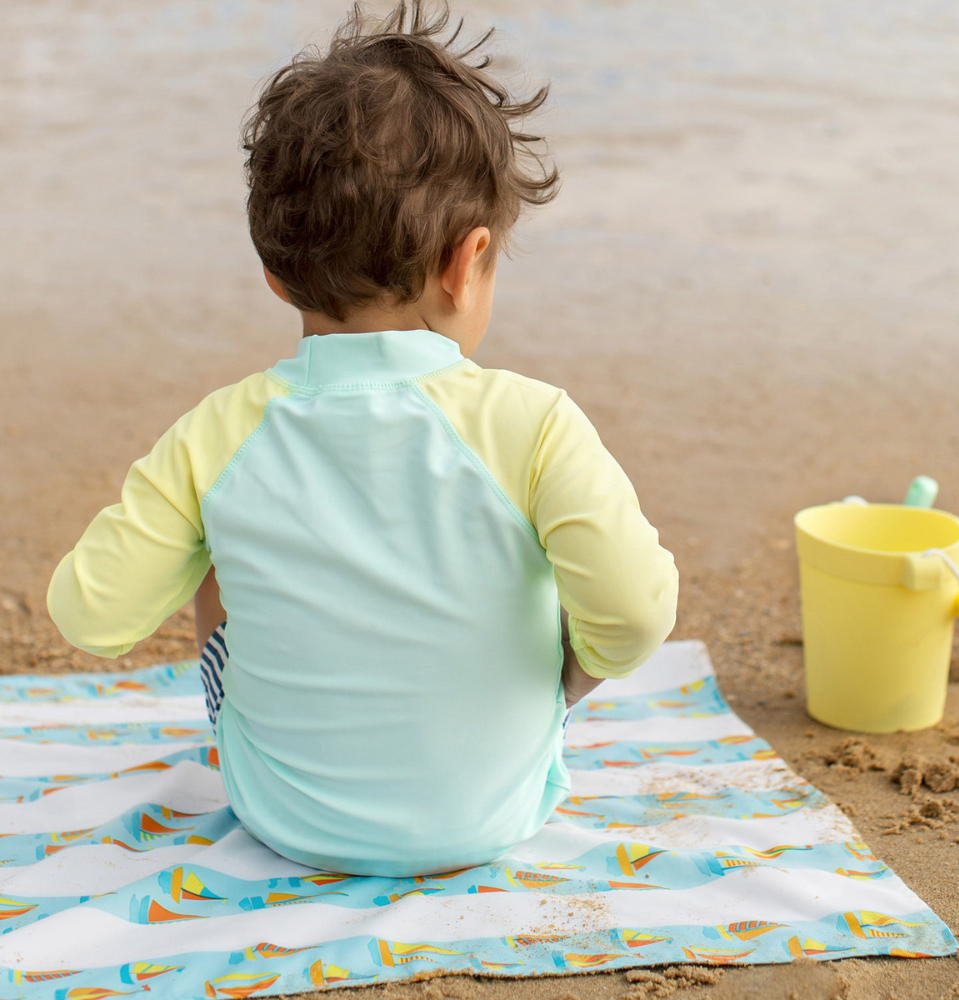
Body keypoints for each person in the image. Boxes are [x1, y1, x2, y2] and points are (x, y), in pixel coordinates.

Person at [46, 2, 678, 877]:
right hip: (494, 816)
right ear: (469, 262)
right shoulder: (533, 422)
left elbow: (92, 616)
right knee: (574, 567)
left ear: (275, 275)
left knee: (226, 542)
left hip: (284, 819)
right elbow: (639, 619)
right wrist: (565, 678)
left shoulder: (216, 432)